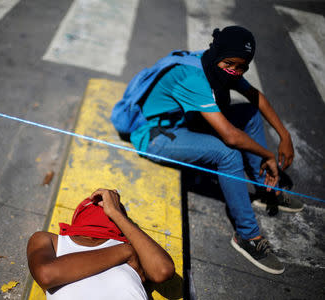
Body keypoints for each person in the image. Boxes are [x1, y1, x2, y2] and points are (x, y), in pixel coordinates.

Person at [115, 26, 303, 274]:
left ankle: (265, 188)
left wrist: (285, 135)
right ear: (217, 55)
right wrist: (268, 155)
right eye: (230, 64)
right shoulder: (193, 77)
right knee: (227, 152)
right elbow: (230, 137)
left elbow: (255, 97)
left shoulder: (219, 66)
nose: (235, 72)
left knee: (249, 114)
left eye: (242, 67)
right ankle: (248, 236)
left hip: (183, 123)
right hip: (155, 135)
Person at [27, 188, 175, 300]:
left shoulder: (135, 248)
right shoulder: (51, 240)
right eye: (93, 203)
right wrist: (124, 252)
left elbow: (163, 270)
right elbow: (46, 274)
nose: (101, 207)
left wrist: (116, 213)